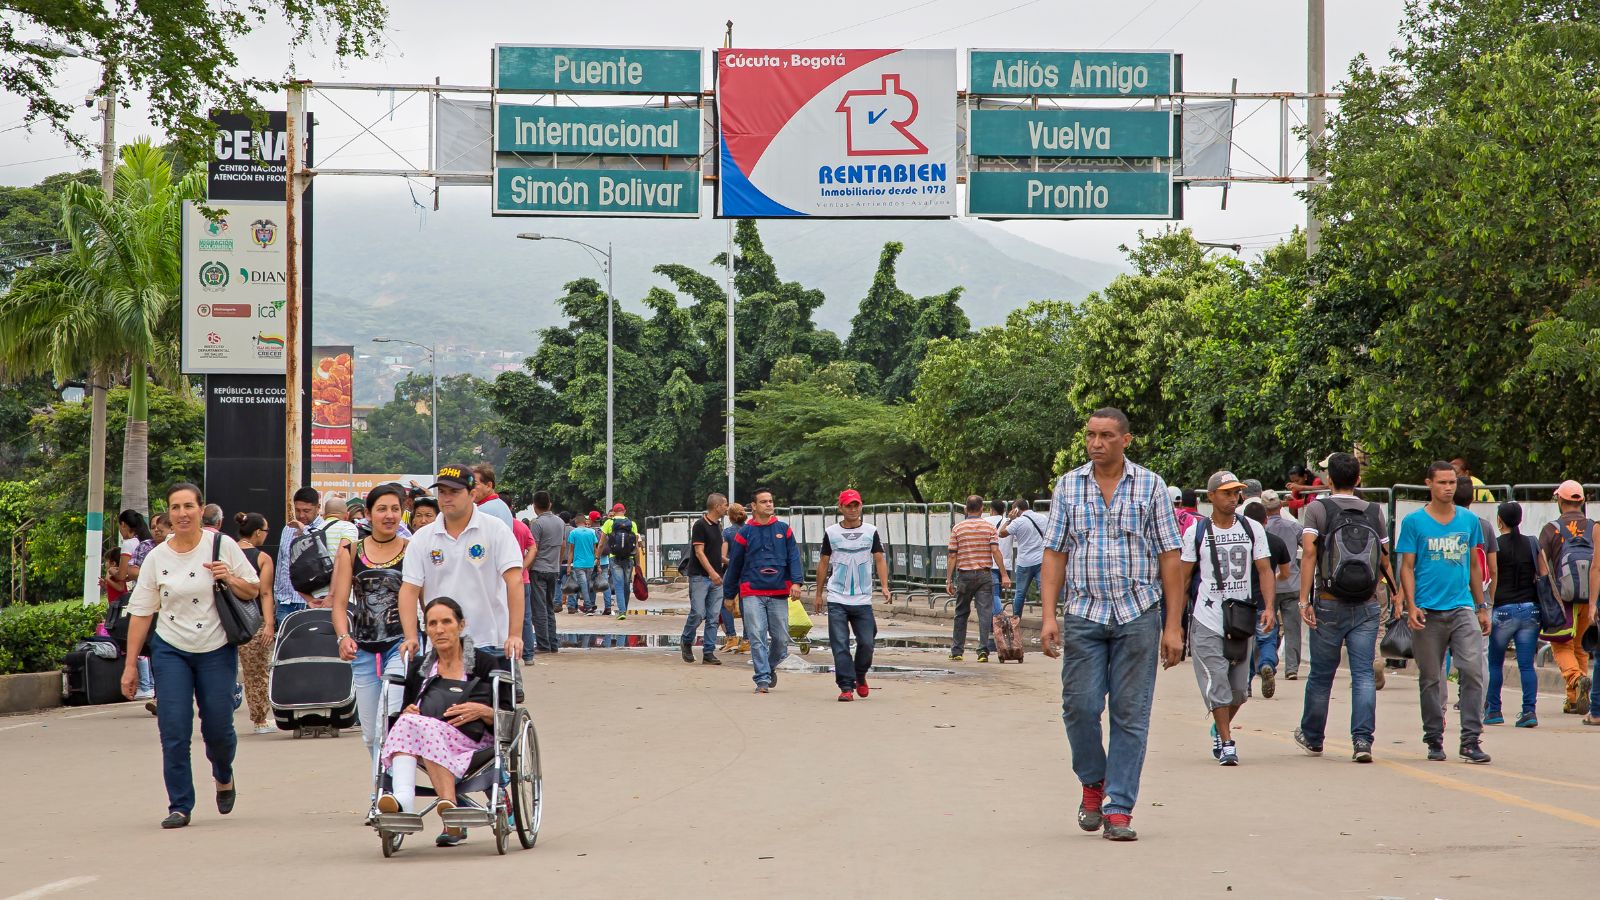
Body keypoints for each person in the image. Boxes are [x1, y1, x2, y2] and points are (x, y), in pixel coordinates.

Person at [1039, 407, 1183, 842]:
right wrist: (1048, 615)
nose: (1096, 443)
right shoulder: (1068, 486)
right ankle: (1092, 782)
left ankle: (1119, 807)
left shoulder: (1151, 486)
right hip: (1084, 613)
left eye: (1105, 436)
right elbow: (1055, 553)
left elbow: (1170, 557)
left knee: (1130, 714)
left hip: (1139, 613)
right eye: (1090, 436)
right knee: (1079, 707)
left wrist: (1173, 626)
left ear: (1126, 440)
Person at [119, 482, 261, 829]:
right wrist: (129, 667)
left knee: (218, 728)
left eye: (188, 506)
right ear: (168, 513)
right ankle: (180, 804)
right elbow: (141, 612)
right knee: (174, 728)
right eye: (175, 507)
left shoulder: (221, 545)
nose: (182, 513)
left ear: (201, 510)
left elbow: (253, 587)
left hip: (215, 649)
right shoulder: (157, 557)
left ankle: (223, 774)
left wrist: (228, 577)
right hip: (171, 650)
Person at [377, 597, 515, 847]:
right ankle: (405, 801)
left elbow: (506, 715)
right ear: (426, 629)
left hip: (472, 741)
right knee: (408, 720)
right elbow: (409, 710)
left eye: (446, 622)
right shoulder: (420, 668)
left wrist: (482, 710)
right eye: (432, 624)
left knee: (419, 726)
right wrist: (410, 709)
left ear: (461, 625)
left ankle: (438, 808)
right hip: (428, 737)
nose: (439, 629)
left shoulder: (484, 663)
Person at [1294, 451, 1398, 762]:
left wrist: (1304, 600)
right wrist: (1396, 594)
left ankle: (1313, 737)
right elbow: (1383, 557)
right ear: (1358, 480)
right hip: (1366, 603)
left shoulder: (1317, 509)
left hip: (1328, 602)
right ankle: (1362, 741)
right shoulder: (1374, 511)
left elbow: (1310, 554)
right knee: (1364, 674)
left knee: (1321, 675)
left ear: (1328, 479)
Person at [1398, 461, 1491, 764]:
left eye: (1452, 482)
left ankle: (1470, 739)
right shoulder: (1414, 522)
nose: (1448, 488)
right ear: (1429, 484)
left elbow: (1476, 566)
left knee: (1473, 671)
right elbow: (1407, 567)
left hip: (1462, 606)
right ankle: (1434, 737)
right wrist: (1411, 605)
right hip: (1427, 611)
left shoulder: (1468, 520)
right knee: (1430, 678)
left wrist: (1481, 606)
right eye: (1442, 483)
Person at [1180, 473, 1275, 766]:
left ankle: (1217, 728)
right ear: (1211, 497)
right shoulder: (1195, 532)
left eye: (1236, 493)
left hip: (1241, 618)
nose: (1233, 498)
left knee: (1239, 691)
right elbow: (1182, 579)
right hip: (1207, 618)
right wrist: (1173, 625)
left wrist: (1269, 607)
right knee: (1217, 682)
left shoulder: (1252, 528)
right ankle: (1227, 741)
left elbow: (1265, 570)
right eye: (1226, 493)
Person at [399, 464, 525, 666]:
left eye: (455, 492)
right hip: (441, 643)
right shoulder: (422, 538)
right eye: (442, 492)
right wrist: (411, 636)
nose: (447, 498)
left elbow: (515, 581)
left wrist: (515, 634)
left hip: (489, 642)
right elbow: (409, 589)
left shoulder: (495, 530)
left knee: (488, 698)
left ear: (472, 494)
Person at [331, 484, 410, 773]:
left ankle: (392, 791)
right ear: (368, 514)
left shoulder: (411, 550)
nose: (389, 516)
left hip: (400, 647)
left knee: (387, 721)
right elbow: (339, 604)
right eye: (382, 509)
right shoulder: (351, 551)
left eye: (395, 509)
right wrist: (343, 637)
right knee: (370, 733)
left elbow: (425, 602)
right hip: (362, 649)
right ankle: (380, 792)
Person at [723, 488, 804, 693]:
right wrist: (729, 594)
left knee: (781, 639)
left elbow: (794, 557)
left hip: (778, 592)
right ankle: (762, 679)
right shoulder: (745, 533)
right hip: (752, 591)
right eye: (764, 501)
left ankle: (769, 666)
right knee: (757, 635)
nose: (769, 504)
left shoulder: (784, 530)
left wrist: (796, 582)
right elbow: (735, 566)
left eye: (770, 501)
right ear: (754, 506)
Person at [814, 489, 891, 702]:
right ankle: (846, 687)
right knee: (840, 644)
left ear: (861, 506)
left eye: (856, 504)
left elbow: (879, 559)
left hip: (862, 598)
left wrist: (884, 586)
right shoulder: (831, 533)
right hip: (837, 597)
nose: (853, 509)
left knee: (867, 643)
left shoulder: (871, 531)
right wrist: (818, 594)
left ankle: (860, 673)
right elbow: (823, 562)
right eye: (848, 505)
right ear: (841, 508)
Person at [1486, 501, 1543, 728]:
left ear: (1499, 520)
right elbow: (1544, 573)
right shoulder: (1532, 543)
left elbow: (1491, 574)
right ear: (1520, 519)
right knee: (1527, 665)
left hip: (1502, 610)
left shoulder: (1495, 546)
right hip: (1531, 609)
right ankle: (1529, 711)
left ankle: (1494, 711)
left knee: (1494, 664)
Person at [1539, 480, 1593, 714]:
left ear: (1560, 501)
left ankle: (1575, 679)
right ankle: (1573, 700)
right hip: (1590, 596)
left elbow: (1541, 563)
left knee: (1561, 644)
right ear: (1581, 501)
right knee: (1580, 646)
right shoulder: (1594, 527)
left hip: (1564, 597)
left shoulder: (1552, 528)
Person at [946, 495, 1010, 662]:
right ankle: (983, 650)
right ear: (981, 509)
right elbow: (996, 552)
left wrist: (948, 580)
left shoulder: (958, 528)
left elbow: (952, 556)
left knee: (961, 612)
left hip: (964, 575)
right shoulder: (989, 528)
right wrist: (1004, 574)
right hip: (984, 575)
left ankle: (957, 651)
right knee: (984, 613)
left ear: (966, 509)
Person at [1239, 499, 1290, 700]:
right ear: (1266, 520)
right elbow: (1286, 572)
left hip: (1242, 603)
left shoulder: (1239, 541)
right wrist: (1273, 580)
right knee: (1267, 639)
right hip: (1264, 603)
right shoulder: (1276, 542)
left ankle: (1246, 684)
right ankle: (1267, 664)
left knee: (1244, 645)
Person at [234, 513, 279, 735]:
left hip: (227, 619)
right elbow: (266, 593)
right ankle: (260, 719)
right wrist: (269, 624)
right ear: (258, 533)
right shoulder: (262, 558)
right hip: (253, 620)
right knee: (257, 671)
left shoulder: (227, 553)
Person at [1256, 490, 1306, 682]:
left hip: (1268, 587)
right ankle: (1291, 668)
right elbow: (1309, 547)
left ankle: (1262, 664)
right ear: (1281, 506)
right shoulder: (1294, 527)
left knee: (1265, 626)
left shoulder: (1260, 531)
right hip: (1292, 584)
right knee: (1293, 628)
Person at [681, 492, 728, 665]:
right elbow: (699, 552)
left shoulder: (718, 526)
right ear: (717, 506)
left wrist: (727, 561)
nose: (727, 508)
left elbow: (713, 552)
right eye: (725, 505)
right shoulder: (700, 525)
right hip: (701, 577)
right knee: (699, 613)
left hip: (716, 578)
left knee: (714, 616)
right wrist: (712, 573)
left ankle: (708, 651)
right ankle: (686, 640)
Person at [276, 487, 324, 623]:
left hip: (311, 602)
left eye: (306, 511)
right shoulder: (288, 529)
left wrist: (304, 530)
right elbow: (281, 563)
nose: (301, 515)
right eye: (297, 510)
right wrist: (277, 596)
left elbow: (320, 554)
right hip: (285, 601)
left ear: (318, 508)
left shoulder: (323, 528)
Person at [526, 492, 565, 655]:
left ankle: (543, 644)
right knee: (549, 606)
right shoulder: (560, 522)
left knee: (539, 608)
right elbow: (563, 545)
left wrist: (528, 567)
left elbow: (534, 548)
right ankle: (553, 643)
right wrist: (558, 562)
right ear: (550, 504)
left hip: (538, 569)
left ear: (535, 507)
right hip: (553, 569)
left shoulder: (537, 524)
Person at [999, 498, 1049, 617]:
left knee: (1020, 593)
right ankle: (1048, 616)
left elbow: (1001, 533)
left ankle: (1016, 619)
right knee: (1045, 590)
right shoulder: (1042, 518)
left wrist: (1009, 519)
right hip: (1041, 560)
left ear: (1016, 509)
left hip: (1024, 562)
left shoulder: (1017, 522)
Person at [598, 503, 644, 621]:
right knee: (626, 584)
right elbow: (636, 546)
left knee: (618, 584)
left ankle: (622, 611)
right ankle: (624, 608)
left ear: (613, 511)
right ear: (625, 511)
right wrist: (637, 563)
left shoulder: (609, 523)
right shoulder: (632, 524)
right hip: (629, 558)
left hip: (614, 557)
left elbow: (602, 543)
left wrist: (597, 557)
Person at [721, 503, 749, 652]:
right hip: (748, 573)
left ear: (729, 517)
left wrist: (733, 563)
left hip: (732, 573)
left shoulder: (727, 533)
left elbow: (723, 557)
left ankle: (731, 637)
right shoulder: (750, 530)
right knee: (746, 606)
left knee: (725, 604)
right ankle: (747, 640)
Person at [510, 514, 537, 663]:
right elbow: (533, 548)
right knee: (526, 618)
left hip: (503, 581)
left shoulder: (497, 526)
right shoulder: (522, 527)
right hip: (523, 579)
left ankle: (508, 654)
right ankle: (528, 655)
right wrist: (522, 567)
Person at [567, 512, 600, 615]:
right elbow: (595, 549)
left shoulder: (573, 533)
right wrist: (597, 564)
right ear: (585, 522)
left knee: (583, 585)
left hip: (578, 564)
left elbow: (571, 551)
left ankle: (588, 607)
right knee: (586, 584)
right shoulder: (591, 532)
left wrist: (569, 565)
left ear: (576, 522)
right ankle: (588, 605)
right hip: (590, 563)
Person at [985, 498, 1013, 616]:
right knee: (997, 593)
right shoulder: (1009, 521)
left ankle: (999, 618)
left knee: (993, 594)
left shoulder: (984, 521)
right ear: (1004, 510)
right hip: (1005, 563)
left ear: (991, 510)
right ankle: (995, 621)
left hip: (990, 562)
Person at [470, 464, 516, 529]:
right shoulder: (503, 506)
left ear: (488, 486)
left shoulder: (481, 511)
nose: (470, 488)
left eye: (474, 484)